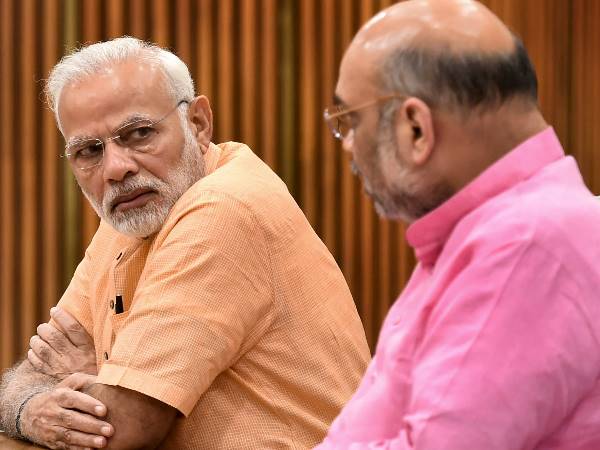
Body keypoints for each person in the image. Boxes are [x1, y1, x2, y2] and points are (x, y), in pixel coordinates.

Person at [0, 37, 370, 449]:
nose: (116, 169)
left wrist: (93, 379)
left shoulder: (224, 207)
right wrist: (28, 408)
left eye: (139, 133)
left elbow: (124, 426)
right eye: (89, 151)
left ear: (198, 123)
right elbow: (33, 371)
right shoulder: (132, 211)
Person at [316, 0, 600, 449]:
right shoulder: (497, 230)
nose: (348, 145)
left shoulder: (527, 242)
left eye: (351, 120)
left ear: (416, 128)